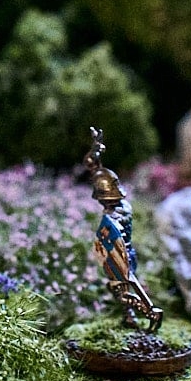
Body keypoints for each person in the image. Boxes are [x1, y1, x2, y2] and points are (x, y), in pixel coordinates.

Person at [82, 128, 163, 332]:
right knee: (120, 289)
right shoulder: (125, 207)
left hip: (121, 258)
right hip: (127, 255)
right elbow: (96, 170)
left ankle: (150, 312)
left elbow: (110, 237)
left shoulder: (112, 218)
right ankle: (129, 317)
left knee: (121, 291)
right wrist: (96, 151)